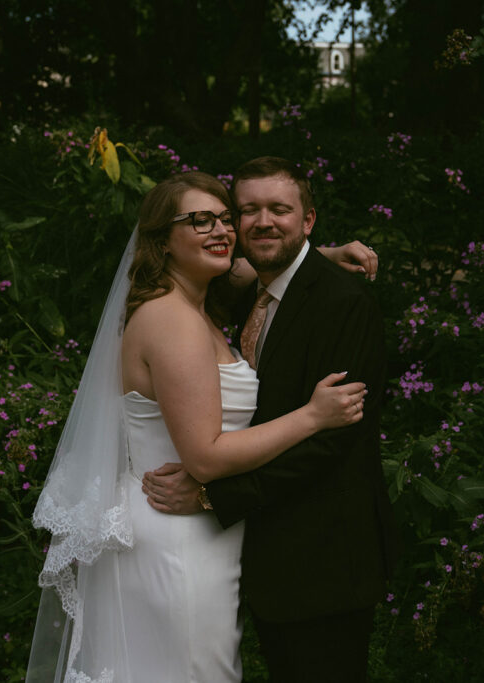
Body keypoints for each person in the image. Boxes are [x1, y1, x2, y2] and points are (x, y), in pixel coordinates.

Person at [26, 170, 378, 683]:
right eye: (199, 220)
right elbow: (206, 459)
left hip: (191, 532)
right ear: (162, 239)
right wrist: (312, 415)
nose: (222, 230)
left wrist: (317, 255)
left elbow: (249, 269)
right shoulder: (175, 321)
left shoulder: (197, 301)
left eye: (222, 218)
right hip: (176, 535)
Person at [143, 157, 396, 682]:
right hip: (261, 557)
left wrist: (215, 496)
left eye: (280, 209)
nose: (263, 222)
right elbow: (245, 263)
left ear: (308, 220)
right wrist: (318, 254)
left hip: (324, 560)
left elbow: (332, 446)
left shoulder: (342, 304)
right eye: (248, 210)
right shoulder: (235, 289)